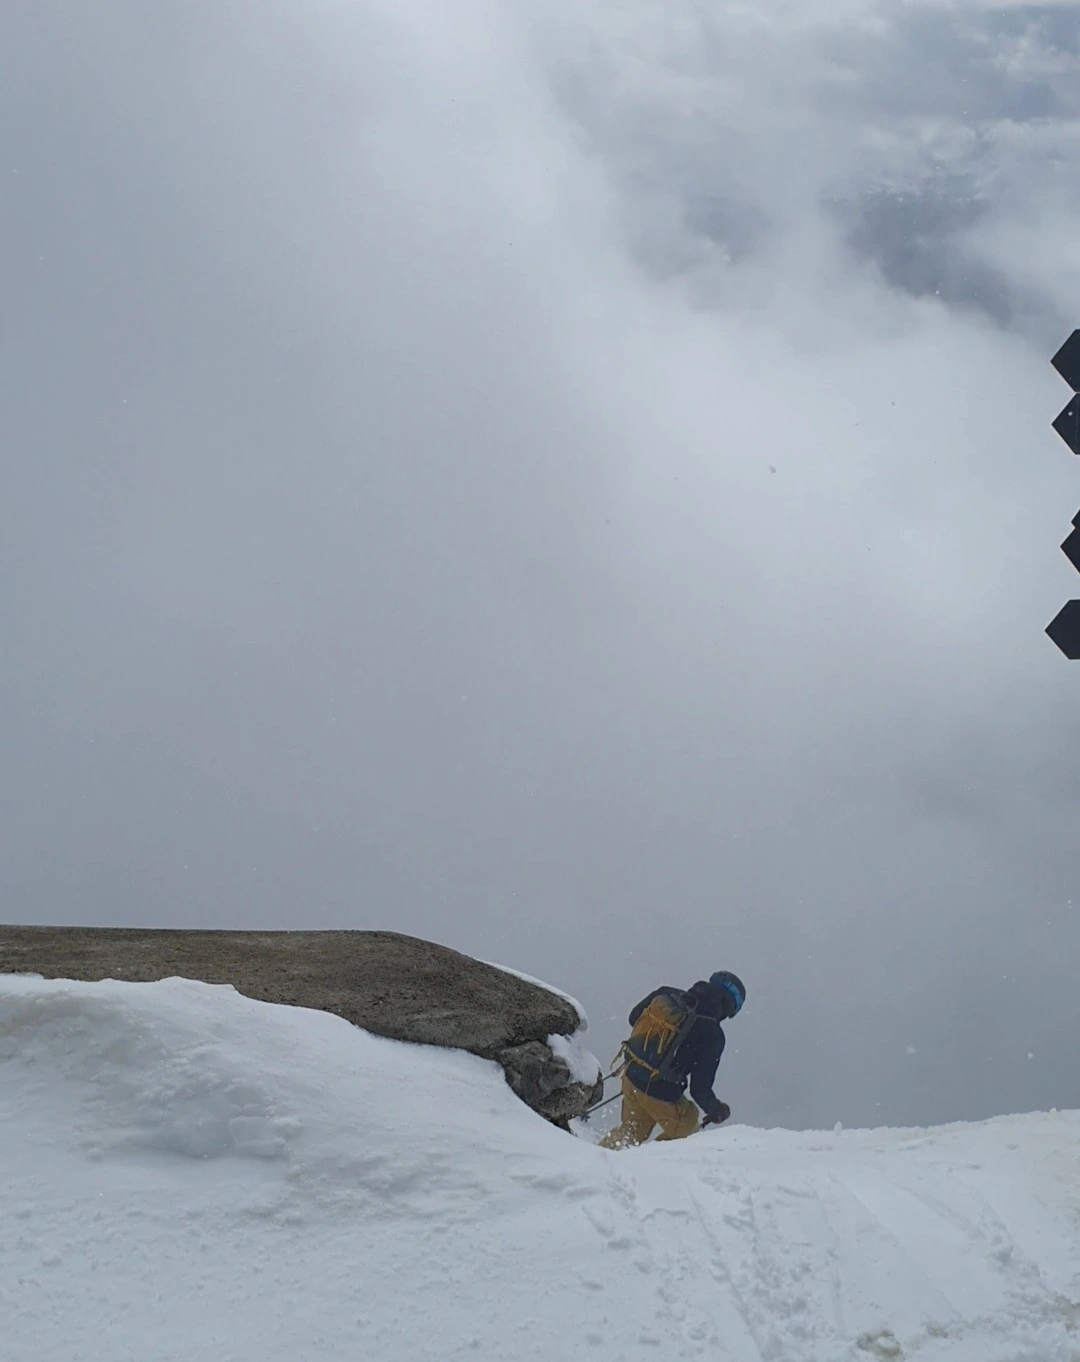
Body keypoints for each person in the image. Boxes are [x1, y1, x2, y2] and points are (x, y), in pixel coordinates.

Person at [598, 970, 744, 1150]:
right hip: (660, 1094)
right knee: (688, 1124)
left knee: (631, 1131)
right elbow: (699, 1090)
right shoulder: (713, 1034)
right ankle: (652, 1160)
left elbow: (633, 1018)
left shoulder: (667, 993)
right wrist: (717, 1110)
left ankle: (598, 1157)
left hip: (631, 1076)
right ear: (728, 1006)